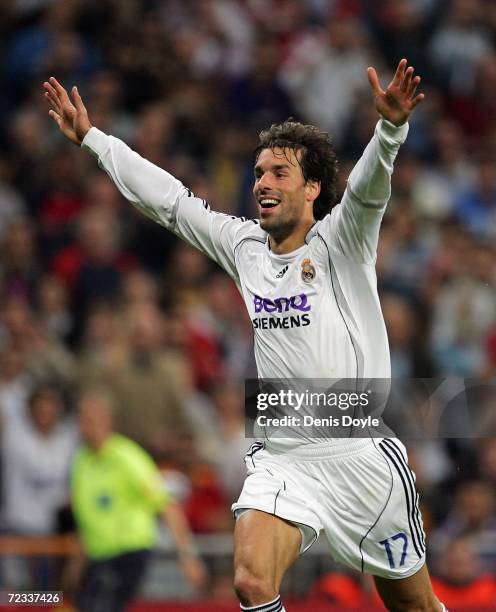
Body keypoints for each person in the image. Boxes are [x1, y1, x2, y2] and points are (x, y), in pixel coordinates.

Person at [43, 59, 447, 611]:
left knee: (415, 607)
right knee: (251, 582)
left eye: (280, 173)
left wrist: (391, 129)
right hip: (284, 457)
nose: (263, 182)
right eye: (258, 172)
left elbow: (369, 190)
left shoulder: (342, 241)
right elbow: (169, 201)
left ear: (312, 189)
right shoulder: (244, 247)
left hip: (358, 455)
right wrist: (93, 139)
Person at [69, 387, 206, 612]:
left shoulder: (128, 457)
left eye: (91, 417)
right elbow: (85, 518)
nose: (85, 424)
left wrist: (188, 558)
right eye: (82, 417)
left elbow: (167, 506)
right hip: (97, 555)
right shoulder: (80, 461)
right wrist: (76, 564)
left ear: (108, 420)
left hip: (127, 553)